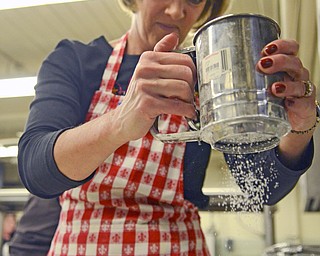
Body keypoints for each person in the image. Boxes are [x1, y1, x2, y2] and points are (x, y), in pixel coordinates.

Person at [17, 0, 318, 255]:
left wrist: (298, 130)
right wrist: (120, 121)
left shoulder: (209, 75)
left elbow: (260, 186)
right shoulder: (77, 61)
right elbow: (37, 170)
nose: (177, 11)